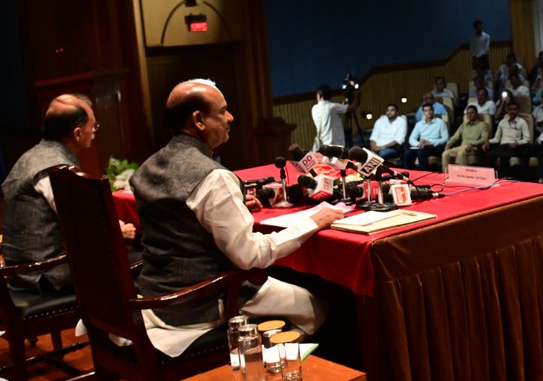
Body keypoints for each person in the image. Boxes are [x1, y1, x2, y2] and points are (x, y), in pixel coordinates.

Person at [132, 80, 340, 355]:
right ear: (199, 120)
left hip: (157, 295)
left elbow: (180, 220)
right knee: (317, 305)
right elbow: (249, 256)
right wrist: (312, 222)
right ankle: (268, 365)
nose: (230, 117)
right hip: (202, 300)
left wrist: (231, 208)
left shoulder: (148, 167)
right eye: (222, 111)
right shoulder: (213, 177)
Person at [2, 94, 135, 293]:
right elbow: (82, 227)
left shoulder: (33, 156)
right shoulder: (55, 169)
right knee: (136, 262)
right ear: (77, 133)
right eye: (93, 125)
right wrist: (117, 233)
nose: (95, 131)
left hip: (25, 272)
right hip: (42, 276)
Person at [483, 101, 533, 178]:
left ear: (518, 111)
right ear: (508, 111)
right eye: (511, 109)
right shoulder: (502, 122)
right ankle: (490, 177)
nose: (512, 111)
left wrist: (517, 143)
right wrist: (488, 142)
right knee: (489, 155)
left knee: (504, 156)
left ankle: (505, 178)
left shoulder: (522, 122)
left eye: (514, 109)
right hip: (502, 146)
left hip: (514, 147)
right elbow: (497, 139)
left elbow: (527, 139)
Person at [311, 83, 359, 151]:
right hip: (335, 144)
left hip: (322, 144)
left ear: (319, 95)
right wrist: (356, 96)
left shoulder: (314, 108)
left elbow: (332, 113)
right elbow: (353, 107)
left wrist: (343, 105)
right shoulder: (333, 107)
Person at [403, 103, 449, 170]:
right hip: (422, 146)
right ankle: (410, 173)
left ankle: (424, 173)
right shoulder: (419, 124)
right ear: (423, 113)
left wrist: (430, 142)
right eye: (426, 111)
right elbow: (411, 139)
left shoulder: (440, 122)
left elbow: (445, 138)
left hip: (434, 146)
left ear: (433, 111)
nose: (428, 112)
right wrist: (419, 144)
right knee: (408, 153)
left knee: (421, 152)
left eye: (430, 110)